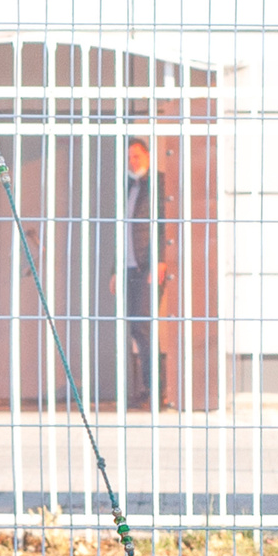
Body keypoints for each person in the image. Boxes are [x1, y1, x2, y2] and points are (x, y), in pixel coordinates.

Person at [121, 137, 171, 411]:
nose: (133, 161)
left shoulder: (158, 183)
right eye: (129, 157)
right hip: (129, 267)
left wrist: (160, 261)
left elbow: (165, 223)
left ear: (149, 157)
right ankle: (147, 389)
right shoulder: (127, 186)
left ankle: (158, 392)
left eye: (137, 156)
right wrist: (116, 269)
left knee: (144, 328)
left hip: (148, 268)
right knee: (137, 330)